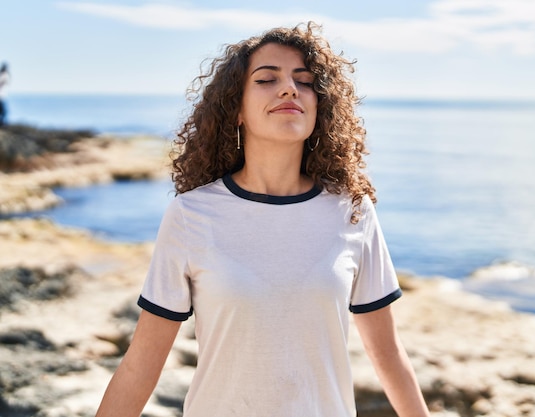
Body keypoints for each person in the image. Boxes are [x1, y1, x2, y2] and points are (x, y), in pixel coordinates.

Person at [95, 22, 431, 417]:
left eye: (304, 82)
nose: (289, 88)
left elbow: (388, 354)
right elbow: (140, 366)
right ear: (236, 110)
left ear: (320, 107)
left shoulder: (351, 211)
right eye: (267, 79)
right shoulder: (191, 215)